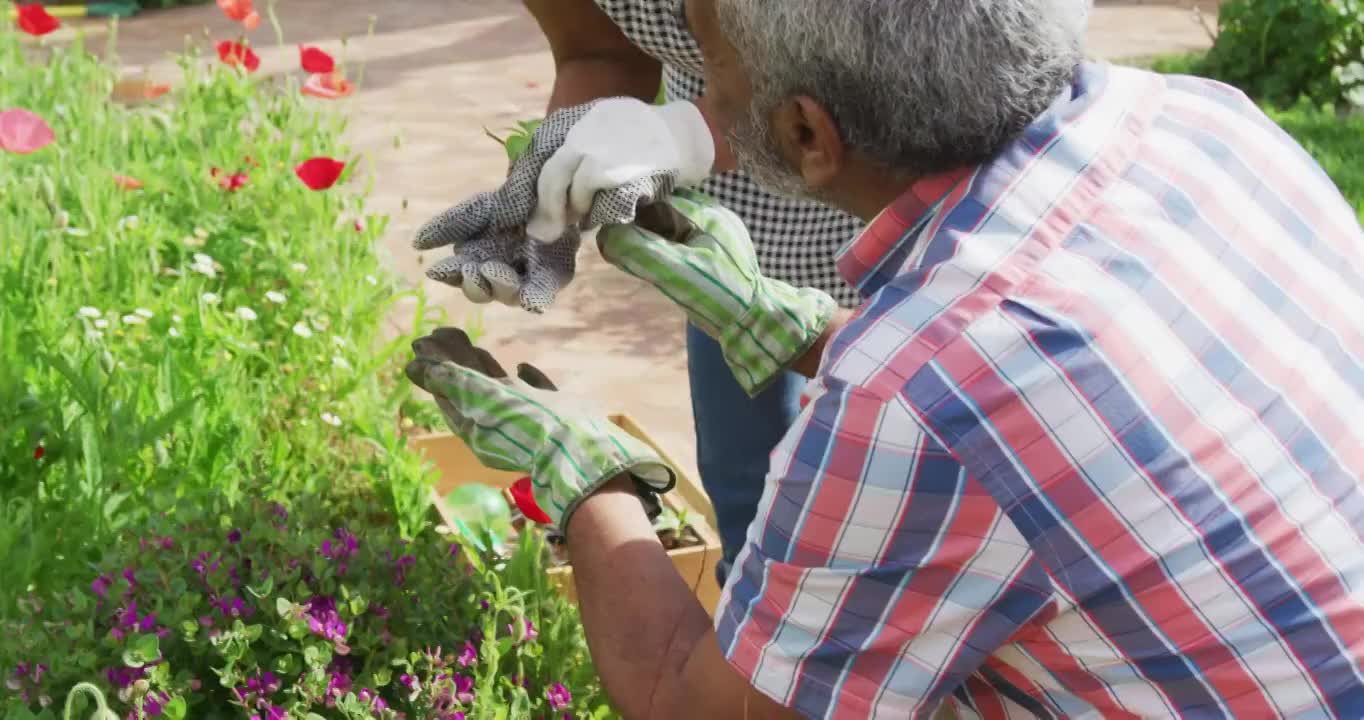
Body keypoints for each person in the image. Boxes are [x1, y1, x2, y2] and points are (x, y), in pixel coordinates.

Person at [407, 0, 1364, 717]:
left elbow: (688, 700)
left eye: (718, 82)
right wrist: (783, 321)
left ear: (807, 135)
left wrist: (583, 476)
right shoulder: (1203, 119)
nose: (703, 98)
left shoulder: (910, 398)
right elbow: (1033, 415)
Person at [419, 0, 868, 586]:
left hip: (886, 179)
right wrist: (555, 189)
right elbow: (597, 51)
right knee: (748, 500)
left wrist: (686, 132)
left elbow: (860, 58)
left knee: (886, 495)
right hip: (728, 238)